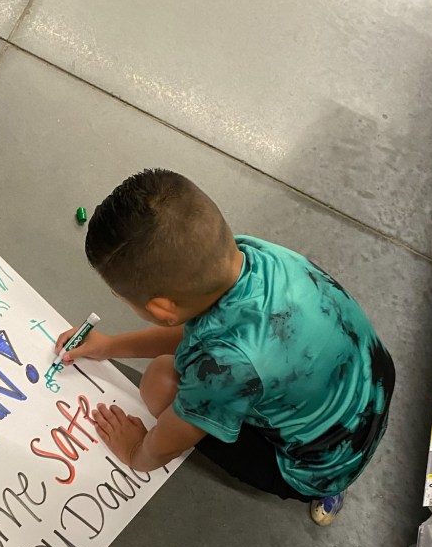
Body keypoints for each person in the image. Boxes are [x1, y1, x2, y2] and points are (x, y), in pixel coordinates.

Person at [56, 169, 394, 526]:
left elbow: (168, 442)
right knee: (199, 370)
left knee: (159, 382)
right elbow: (201, 330)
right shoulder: (252, 254)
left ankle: (326, 486)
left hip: (319, 465)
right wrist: (108, 347)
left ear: (161, 308)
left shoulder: (227, 365)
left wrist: (134, 452)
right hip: (369, 391)